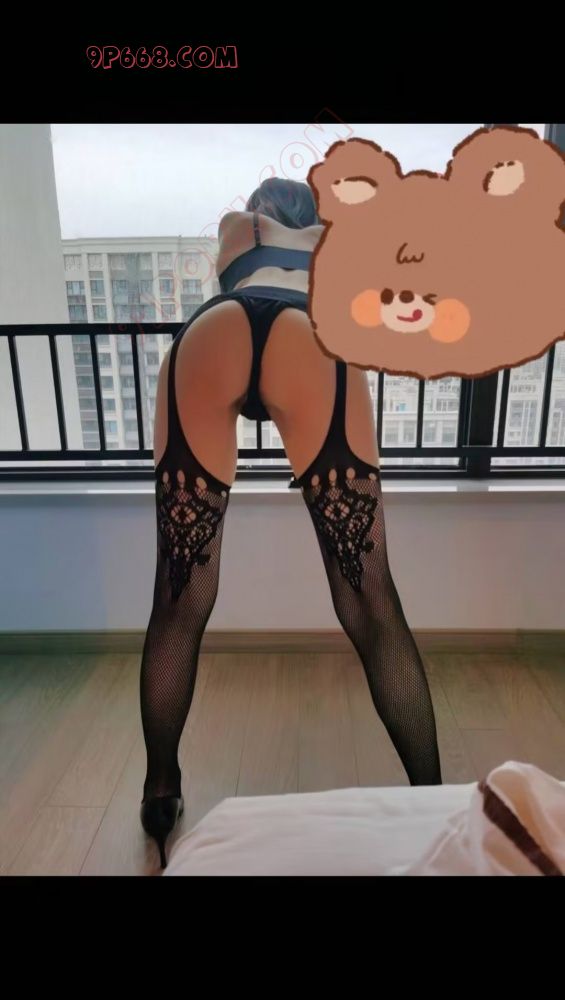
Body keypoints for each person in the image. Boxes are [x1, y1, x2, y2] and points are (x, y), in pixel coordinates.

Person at [139, 176, 442, 868]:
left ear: (259, 212)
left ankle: (160, 789)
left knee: (178, 597)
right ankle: (432, 798)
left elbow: (234, 264)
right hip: (310, 336)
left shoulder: (237, 226)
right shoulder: (332, 242)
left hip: (214, 331)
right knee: (370, 598)